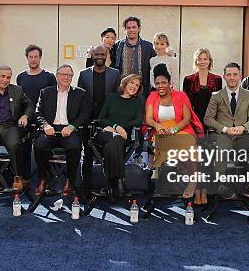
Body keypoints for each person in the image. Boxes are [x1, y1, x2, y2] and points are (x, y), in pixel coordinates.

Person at [145, 64, 204, 200]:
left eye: (164, 82)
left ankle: (192, 180)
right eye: (158, 83)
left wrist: (175, 129)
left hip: (181, 129)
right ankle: (165, 184)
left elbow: (187, 118)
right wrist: (157, 125)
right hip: (161, 131)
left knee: (186, 146)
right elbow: (148, 118)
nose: (161, 85)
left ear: (169, 83)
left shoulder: (180, 95)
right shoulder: (152, 96)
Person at [204, 62, 249, 199]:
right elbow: (208, 118)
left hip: (242, 135)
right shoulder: (216, 95)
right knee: (221, 151)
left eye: (235, 74)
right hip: (223, 135)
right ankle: (222, 186)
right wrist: (224, 129)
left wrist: (243, 127)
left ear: (240, 76)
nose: (232, 78)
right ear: (224, 77)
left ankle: (248, 184)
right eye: (229, 75)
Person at [34, 64, 90, 197]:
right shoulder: (46, 92)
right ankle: (43, 178)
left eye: (69, 75)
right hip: (50, 129)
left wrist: (72, 126)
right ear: (57, 76)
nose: (66, 77)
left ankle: (70, 180)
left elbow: (85, 114)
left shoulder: (80, 93)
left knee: (75, 146)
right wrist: (45, 125)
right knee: (39, 145)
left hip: (69, 129)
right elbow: (38, 112)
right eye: (63, 74)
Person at [77, 45, 121, 199]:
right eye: (97, 54)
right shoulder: (83, 75)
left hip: (107, 123)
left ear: (107, 55)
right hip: (87, 122)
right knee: (87, 155)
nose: (100, 56)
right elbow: (80, 100)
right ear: (92, 56)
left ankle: (112, 188)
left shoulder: (115, 74)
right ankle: (85, 190)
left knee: (110, 154)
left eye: (103, 54)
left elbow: (117, 100)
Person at [94, 74, 142, 199]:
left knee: (112, 145)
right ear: (125, 83)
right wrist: (116, 127)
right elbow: (101, 119)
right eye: (132, 83)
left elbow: (138, 120)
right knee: (113, 140)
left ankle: (108, 184)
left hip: (122, 137)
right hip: (105, 133)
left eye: (137, 85)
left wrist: (120, 129)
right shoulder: (112, 97)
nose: (134, 86)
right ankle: (120, 180)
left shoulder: (137, 101)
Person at [16, 44, 57, 187]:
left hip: (44, 119)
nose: (33, 59)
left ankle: (46, 178)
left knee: (44, 147)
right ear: (26, 58)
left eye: (36, 57)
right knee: (23, 148)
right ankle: (24, 178)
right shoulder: (20, 77)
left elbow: (53, 99)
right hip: (25, 118)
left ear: (40, 58)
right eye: (30, 57)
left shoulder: (49, 77)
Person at [110, 16, 156, 97]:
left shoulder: (148, 46)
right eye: (128, 28)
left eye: (134, 27)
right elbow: (107, 57)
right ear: (125, 30)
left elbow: (159, 57)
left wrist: (169, 52)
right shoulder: (117, 45)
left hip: (141, 90)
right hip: (122, 90)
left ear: (139, 29)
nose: (131, 30)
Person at [182, 48, 222, 125]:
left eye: (205, 59)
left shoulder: (217, 79)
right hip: (193, 119)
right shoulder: (188, 80)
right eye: (199, 59)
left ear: (209, 61)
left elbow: (219, 104)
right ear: (196, 61)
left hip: (212, 120)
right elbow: (185, 104)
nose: (202, 62)